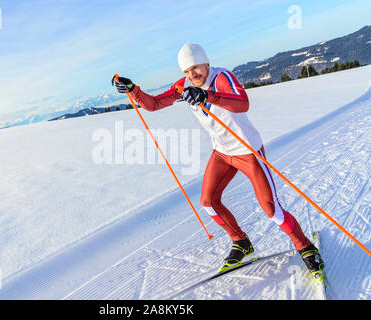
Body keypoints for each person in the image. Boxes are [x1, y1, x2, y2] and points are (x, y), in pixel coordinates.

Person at [112, 42, 324, 277]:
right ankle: (241, 242)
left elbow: (242, 103)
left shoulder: (222, 77)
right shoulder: (183, 86)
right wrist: (133, 89)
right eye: (186, 71)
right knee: (208, 202)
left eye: (196, 68)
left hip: (247, 151)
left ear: (206, 63)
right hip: (222, 153)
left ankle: (305, 246)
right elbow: (153, 104)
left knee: (270, 208)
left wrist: (208, 95)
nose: (192, 75)